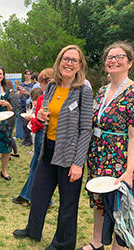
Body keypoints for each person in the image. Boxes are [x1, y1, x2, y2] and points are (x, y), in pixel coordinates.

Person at [13, 45, 93, 250]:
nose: (69, 63)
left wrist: (78, 163)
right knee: (39, 193)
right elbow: (46, 112)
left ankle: (63, 244)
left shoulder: (83, 90)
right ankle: (33, 229)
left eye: (74, 60)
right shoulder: (52, 86)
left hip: (69, 154)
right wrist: (41, 116)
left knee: (68, 203)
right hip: (47, 150)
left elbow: (86, 129)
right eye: (65, 58)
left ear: (80, 65)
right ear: (59, 61)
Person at [78, 42, 134, 250]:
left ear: (129, 63)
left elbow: (133, 135)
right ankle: (97, 242)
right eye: (110, 57)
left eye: (119, 57)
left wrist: (130, 170)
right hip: (98, 153)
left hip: (120, 155)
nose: (113, 60)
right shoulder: (101, 91)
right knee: (99, 198)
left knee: (117, 205)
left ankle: (117, 248)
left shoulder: (132, 91)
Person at [12, 68, 54, 207]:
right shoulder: (57, 97)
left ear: (43, 82)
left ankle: (29, 196)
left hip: (42, 135)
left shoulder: (44, 98)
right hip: (50, 136)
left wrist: (33, 121)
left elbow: (42, 121)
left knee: (37, 167)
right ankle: (37, 197)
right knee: (36, 166)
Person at [18, 69, 34, 147]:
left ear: (31, 75)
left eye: (28, 74)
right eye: (26, 74)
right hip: (22, 105)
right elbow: (19, 97)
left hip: (29, 106)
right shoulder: (21, 85)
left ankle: (29, 140)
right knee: (23, 124)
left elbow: (33, 96)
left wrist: (27, 93)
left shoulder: (33, 85)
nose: (27, 76)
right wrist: (20, 91)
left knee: (27, 124)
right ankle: (27, 139)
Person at [5, 79, 20, 157]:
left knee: (8, 135)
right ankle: (14, 152)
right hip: (13, 116)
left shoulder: (8, 96)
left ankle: (8, 153)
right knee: (9, 134)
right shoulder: (15, 94)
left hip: (8, 116)